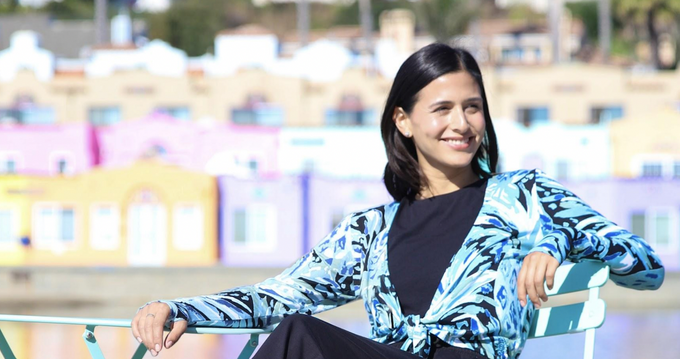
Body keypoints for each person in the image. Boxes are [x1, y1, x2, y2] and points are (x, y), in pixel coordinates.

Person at [132, 44, 664, 359]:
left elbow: (648, 268)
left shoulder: (521, 196)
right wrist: (180, 308)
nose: (462, 123)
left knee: (299, 340)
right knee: (297, 328)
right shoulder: (371, 230)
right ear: (403, 122)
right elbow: (281, 295)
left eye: (473, 108)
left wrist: (560, 241)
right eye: (443, 109)